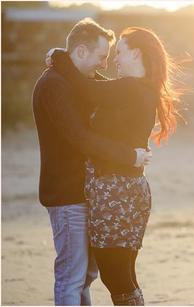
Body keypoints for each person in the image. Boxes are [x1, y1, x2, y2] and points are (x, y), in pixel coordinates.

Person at [48, 26, 184, 305]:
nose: (115, 60)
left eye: (119, 52)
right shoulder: (140, 89)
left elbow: (86, 88)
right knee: (123, 275)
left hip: (115, 193)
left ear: (135, 53)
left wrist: (59, 57)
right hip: (131, 190)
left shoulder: (129, 88)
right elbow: (102, 89)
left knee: (116, 276)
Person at [32, 18, 151, 306]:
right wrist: (130, 155)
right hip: (66, 195)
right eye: (101, 57)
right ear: (82, 52)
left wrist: (60, 57)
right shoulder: (53, 85)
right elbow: (80, 137)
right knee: (72, 277)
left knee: (85, 276)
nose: (104, 64)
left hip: (90, 194)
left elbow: (110, 92)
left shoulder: (79, 81)